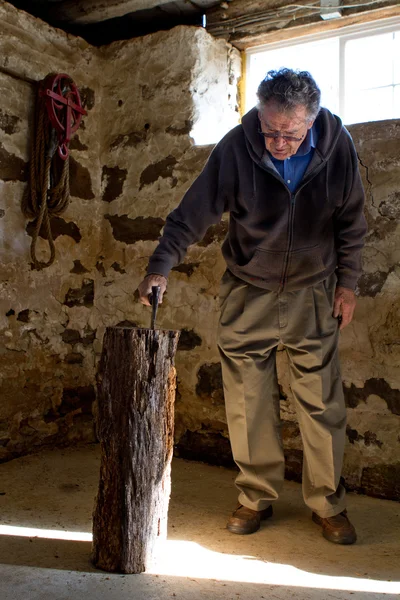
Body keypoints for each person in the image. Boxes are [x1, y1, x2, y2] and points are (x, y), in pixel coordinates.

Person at [138, 68, 367, 545]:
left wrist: (348, 285)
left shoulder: (337, 145)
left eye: (290, 133)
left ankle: (327, 503)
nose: (278, 142)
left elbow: (351, 220)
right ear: (258, 116)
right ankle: (255, 496)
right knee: (248, 401)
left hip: (312, 289)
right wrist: (161, 265)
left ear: (313, 120)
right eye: (269, 130)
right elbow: (193, 211)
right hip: (248, 288)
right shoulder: (236, 146)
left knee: (322, 403)